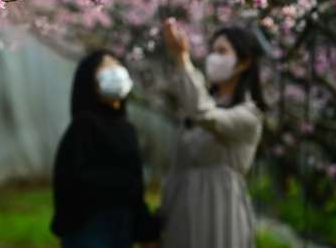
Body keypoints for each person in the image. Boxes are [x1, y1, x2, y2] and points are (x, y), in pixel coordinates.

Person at [160, 20, 266, 248]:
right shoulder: (193, 117)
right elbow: (177, 169)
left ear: (243, 62)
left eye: (222, 51)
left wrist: (183, 60)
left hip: (221, 213)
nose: (213, 58)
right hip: (183, 211)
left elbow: (203, 113)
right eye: (212, 51)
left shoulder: (248, 116)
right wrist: (161, 218)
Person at [51, 50, 161, 248]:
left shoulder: (126, 128)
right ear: (90, 79)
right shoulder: (84, 124)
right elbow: (73, 177)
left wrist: (147, 230)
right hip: (90, 226)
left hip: (123, 226)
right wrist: (123, 182)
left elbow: (136, 187)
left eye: (117, 62)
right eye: (106, 64)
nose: (115, 68)